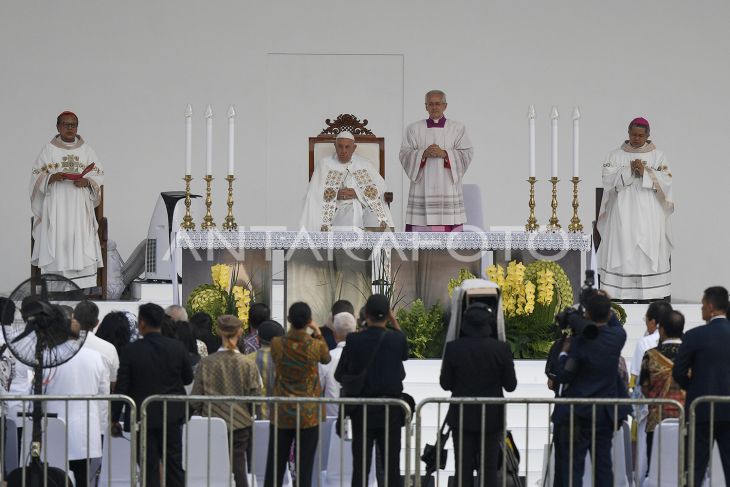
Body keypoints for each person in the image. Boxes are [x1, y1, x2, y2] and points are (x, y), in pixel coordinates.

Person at [111, 303, 194, 487]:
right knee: (174, 464)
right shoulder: (177, 347)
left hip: (142, 415)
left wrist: (114, 417)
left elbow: (122, 387)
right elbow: (188, 379)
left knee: (148, 467)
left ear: (142, 323)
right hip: (171, 414)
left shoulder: (131, 350)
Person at [551, 293, 629, 487]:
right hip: (604, 413)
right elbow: (614, 323)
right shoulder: (618, 337)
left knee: (575, 467)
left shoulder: (579, 344)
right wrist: (605, 303)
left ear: (588, 314)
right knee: (603, 467)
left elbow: (564, 375)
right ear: (608, 314)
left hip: (579, 413)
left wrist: (563, 352)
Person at [335, 294, 409, 487]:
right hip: (390, 409)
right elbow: (405, 351)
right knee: (392, 467)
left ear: (365, 314)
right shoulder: (396, 339)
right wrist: (393, 320)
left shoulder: (353, 340)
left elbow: (339, 374)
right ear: (388, 315)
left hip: (363, 409)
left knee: (360, 467)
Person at [596, 117, 674, 301]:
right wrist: (629, 171)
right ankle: (620, 293)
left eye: (640, 135)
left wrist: (646, 172)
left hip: (649, 211)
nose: (636, 138)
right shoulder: (614, 155)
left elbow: (668, 180)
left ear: (647, 135)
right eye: (633, 134)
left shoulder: (658, 156)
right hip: (622, 211)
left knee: (648, 243)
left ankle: (650, 294)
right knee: (622, 244)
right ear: (628, 133)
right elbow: (607, 179)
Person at [440, 302, 517, 486]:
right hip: (492, 418)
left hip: (461, 416)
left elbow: (445, 384)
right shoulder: (501, 349)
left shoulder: (453, 348)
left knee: (463, 469)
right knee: (489, 468)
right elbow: (511, 385)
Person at [30, 111, 104, 289]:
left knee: (80, 238)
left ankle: (82, 286)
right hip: (56, 205)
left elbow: (99, 173)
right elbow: (35, 175)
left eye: (73, 124)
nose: (70, 128)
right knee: (56, 237)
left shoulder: (87, 150)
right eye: (66, 124)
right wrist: (50, 178)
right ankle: (56, 286)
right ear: (58, 127)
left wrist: (87, 181)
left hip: (79, 205)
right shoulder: (48, 150)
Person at [191, 315, 262, 487]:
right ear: (240, 332)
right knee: (239, 465)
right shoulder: (248, 363)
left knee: (212, 466)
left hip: (212, 421)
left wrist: (198, 412)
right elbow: (255, 397)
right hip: (240, 422)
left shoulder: (206, 363)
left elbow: (195, 397)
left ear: (218, 331)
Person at [264, 303, 330, 487]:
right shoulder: (315, 345)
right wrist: (317, 330)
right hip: (308, 414)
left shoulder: (277, 344)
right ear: (309, 321)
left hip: (282, 413)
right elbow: (327, 358)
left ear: (288, 319)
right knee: (305, 468)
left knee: (275, 467)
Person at [44, 306, 109, 486]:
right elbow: (104, 396)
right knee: (82, 477)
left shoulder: (48, 357)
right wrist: (101, 427)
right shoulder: (96, 357)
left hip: (54, 428)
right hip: (86, 429)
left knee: (53, 478)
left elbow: (37, 392)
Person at [673, 286, 730, 486]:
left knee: (695, 468)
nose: (701, 309)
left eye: (703, 305)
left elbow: (679, 371)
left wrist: (695, 386)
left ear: (711, 307)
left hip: (701, 410)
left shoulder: (695, 336)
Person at [399, 90, 473, 232]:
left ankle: (447, 254)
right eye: (431, 104)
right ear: (426, 106)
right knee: (419, 245)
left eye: (438, 104)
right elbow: (404, 153)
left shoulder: (457, 128)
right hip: (422, 187)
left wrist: (445, 154)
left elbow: (467, 153)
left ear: (445, 106)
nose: (434, 107)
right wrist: (423, 154)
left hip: (447, 187)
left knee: (448, 242)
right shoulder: (413, 129)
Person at [300, 131, 394, 231]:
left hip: (365, 207)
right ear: (335, 146)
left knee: (377, 225)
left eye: (347, 147)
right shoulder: (324, 165)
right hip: (338, 209)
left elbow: (382, 188)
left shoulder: (365, 164)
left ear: (354, 148)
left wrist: (358, 193)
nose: (343, 151)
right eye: (340, 146)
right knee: (344, 230)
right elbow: (312, 193)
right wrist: (334, 195)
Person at [628, 300, 672, 478]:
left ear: (654, 322)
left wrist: (637, 410)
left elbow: (637, 379)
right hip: (677, 406)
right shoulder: (684, 341)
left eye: (646, 320)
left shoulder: (645, 343)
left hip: (650, 408)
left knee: (645, 458)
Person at [639, 310, 685, 474]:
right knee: (683, 467)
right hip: (686, 418)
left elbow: (644, 386)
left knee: (655, 468)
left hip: (656, 419)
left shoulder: (650, 355)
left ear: (662, 329)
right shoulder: (691, 354)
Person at [243, 320, 284, 420]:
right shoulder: (288, 360)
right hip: (282, 422)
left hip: (254, 420)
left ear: (257, 339)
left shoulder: (246, 361)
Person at [319, 311, 357, 417]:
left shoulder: (327, 359)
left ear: (334, 333)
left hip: (331, 420)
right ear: (355, 331)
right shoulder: (363, 356)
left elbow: (317, 388)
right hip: (358, 422)